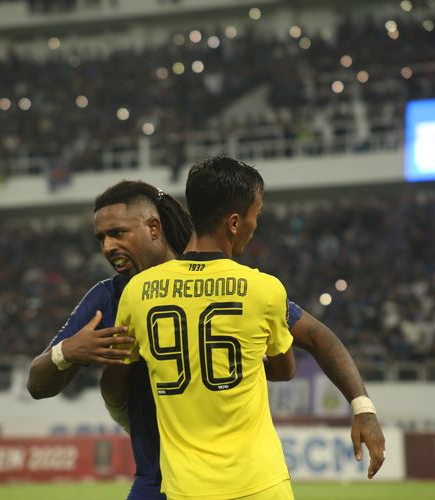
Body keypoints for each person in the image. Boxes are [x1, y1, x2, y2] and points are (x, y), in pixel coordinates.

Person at [27, 176, 385, 499]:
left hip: (214, 478)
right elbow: (37, 383)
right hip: (160, 477)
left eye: (118, 233)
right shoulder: (108, 298)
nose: (107, 247)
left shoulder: (212, 279)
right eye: (101, 238)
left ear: (154, 228)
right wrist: (65, 352)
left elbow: (313, 341)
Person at [115, 156, 297, 498]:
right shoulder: (265, 290)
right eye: (255, 215)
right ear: (233, 222)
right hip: (260, 484)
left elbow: (117, 380)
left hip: (187, 488)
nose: (255, 225)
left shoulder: (137, 292)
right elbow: (285, 369)